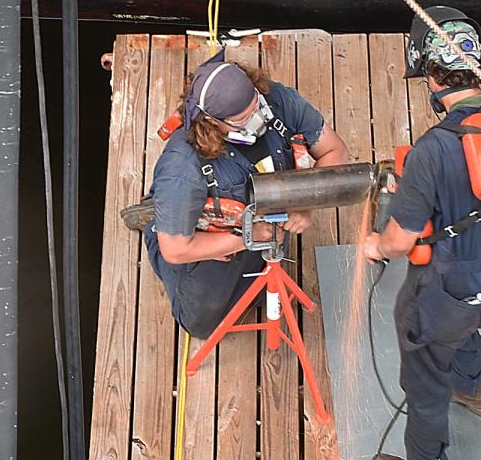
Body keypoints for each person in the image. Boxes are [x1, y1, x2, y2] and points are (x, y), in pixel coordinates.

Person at [363, 7, 481, 460]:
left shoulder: (432, 151)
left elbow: (402, 240)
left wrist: (376, 246)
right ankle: (477, 391)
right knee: (466, 325)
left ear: (431, 75)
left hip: (441, 289)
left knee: (424, 383)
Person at [144, 49, 351, 338]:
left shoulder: (278, 100)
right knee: (202, 325)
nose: (258, 118)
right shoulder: (182, 167)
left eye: (257, 104)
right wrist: (248, 237)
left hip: (267, 226)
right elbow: (176, 250)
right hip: (219, 238)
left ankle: (170, 212)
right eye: (243, 118)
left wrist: (305, 204)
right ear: (213, 121)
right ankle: (155, 220)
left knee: (255, 289)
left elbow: (335, 151)